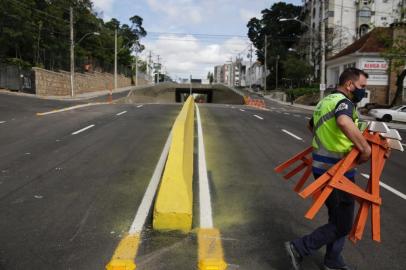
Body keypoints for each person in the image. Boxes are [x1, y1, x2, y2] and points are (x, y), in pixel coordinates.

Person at [285, 68, 372, 270]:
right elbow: (343, 121)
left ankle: (332, 261)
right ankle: (299, 247)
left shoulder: (325, 101)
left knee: (338, 217)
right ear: (350, 85)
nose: (363, 91)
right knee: (343, 224)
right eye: (362, 87)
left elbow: (311, 126)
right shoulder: (344, 103)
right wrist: (364, 148)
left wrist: (327, 138)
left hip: (323, 166)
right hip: (337, 171)